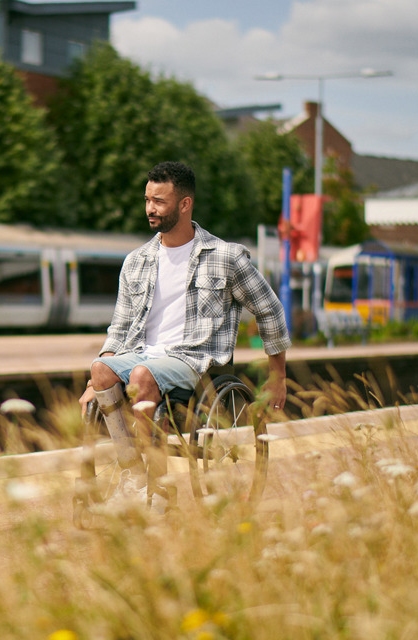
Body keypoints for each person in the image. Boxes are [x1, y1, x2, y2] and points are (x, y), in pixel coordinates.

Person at [78, 161, 291, 508]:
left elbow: (270, 309)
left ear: (185, 204)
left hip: (194, 360)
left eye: (159, 201)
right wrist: (97, 379)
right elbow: (119, 329)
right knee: (100, 370)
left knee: (142, 374)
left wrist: (277, 375)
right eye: (147, 199)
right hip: (143, 354)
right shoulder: (136, 261)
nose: (150, 208)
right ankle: (133, 475)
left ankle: (156, 486)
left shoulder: (226, 257)